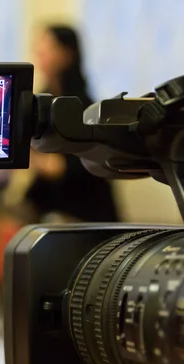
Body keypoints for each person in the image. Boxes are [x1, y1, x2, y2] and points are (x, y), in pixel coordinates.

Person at [25, 24, 119, 222]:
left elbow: (63, 168)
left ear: (67, 54)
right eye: (38, 46)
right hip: (53, 204)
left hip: (83, 209)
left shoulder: (82, 105)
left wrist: (31, 157)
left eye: (47, 47)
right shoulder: (43, 99)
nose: (39, 52)